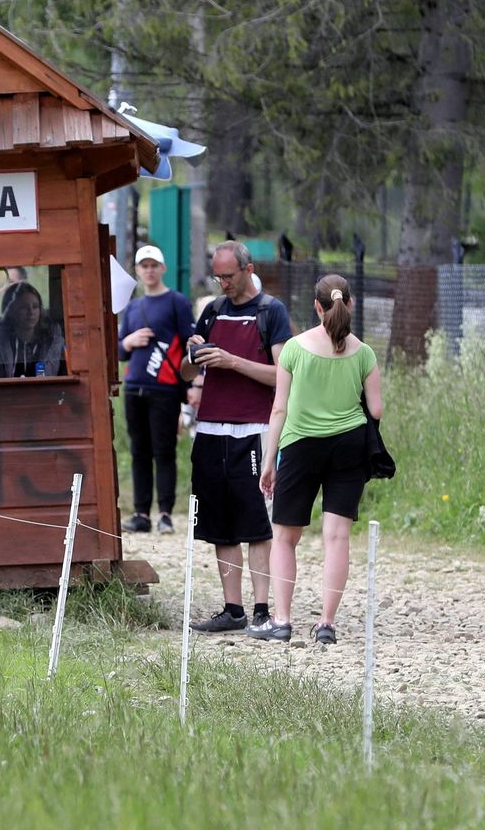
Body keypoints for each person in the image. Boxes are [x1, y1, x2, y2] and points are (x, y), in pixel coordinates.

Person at [250, 274, 383, 644]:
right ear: (350, 304)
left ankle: (282, 619)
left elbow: (279, 410)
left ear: (317, 307)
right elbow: (376, 408)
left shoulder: (293, 349)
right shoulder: (365, 354)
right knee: (337, 537)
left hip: (300, 446)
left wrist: (269, 459)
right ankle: (326, 623)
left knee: (285, 537)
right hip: (349, 446)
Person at [182, 241, 291, 634]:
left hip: (254, 429)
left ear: (248, 269)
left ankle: (262, 609)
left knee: (256, 521)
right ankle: (233, 608)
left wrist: (232, 362)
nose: (223, 283)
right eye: (218, 276)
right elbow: (184, 374)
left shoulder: (270, 311)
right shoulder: (211, 311)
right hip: (210, 428)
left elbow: (283, 375)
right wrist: (193, 356)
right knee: (218, 523)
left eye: (228, 275)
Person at [118, 245, 194, 534]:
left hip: (165, 388)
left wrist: (190, 389)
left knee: (164, 451)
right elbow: (120, 350)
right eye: (144, 266)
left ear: (163, 268)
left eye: (154, 265)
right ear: (137, 271)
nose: (149, 270)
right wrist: (128, 341)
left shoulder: (176, 301)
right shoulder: (134, 307)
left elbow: (190, 345)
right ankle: (141, 514)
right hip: (134, 387)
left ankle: (164, 514)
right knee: (139, 452)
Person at [0, 281, 64, 378]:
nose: (31, 312)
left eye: (35, 307)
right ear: (11, 311)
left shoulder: (52, 341)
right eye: (24, 307)